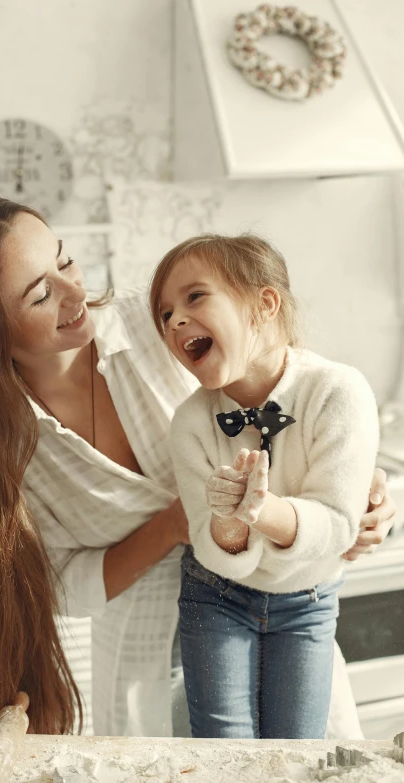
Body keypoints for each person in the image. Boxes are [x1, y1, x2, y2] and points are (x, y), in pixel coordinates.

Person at [0, 197, 395, 742]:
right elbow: (64, 586)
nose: (75, 295)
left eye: (65, 262)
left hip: (280, 629)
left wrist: (358, 492)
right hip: (150, 677)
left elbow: (286, 386)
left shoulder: (161, 322)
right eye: (41, 294)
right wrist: (169, 526)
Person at [149, 234, 381, 740]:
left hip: (308, 601)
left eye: (194, 297)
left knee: (294, 751)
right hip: (215, 597)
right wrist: (230, 519)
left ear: (264, 303)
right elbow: (213, 548)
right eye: (165, 314)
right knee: (225, 754)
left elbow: (339, 526)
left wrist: (263, 509)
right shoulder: (190, 422)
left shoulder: (338, 392)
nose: (175, 321)